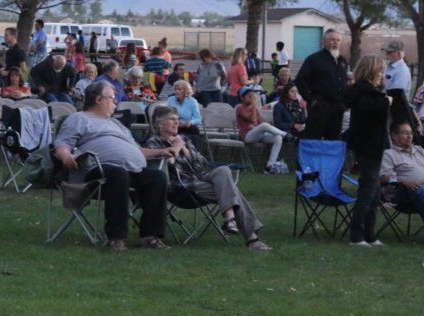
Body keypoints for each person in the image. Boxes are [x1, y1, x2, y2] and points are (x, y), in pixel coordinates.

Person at [54, 81, 172, 251]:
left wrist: (160, 152)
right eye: (112, 97)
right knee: (118, 174)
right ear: (99, 100)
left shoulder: (117, 124)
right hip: (97, 171)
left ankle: (151, 236)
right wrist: (66, 156)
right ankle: (116, 237)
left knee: (157, 177)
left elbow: (136, 150)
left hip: (131, 170)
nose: (115, 101)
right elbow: (62, 143)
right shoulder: (78, 118)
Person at [146, 106, 271, 250]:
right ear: (160, 124)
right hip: (182, 187)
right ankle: (251, 238)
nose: (176, 123)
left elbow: (201, 164)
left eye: (178, 119)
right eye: (172, 119)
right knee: (232, 191)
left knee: (223, 170)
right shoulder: (153, 142)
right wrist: (177, 148)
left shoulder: (184, 139)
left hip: (199, 178)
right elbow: (167, 166)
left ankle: (231, 219)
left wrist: (185, 149)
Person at [343, 55, 390, 247]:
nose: (381, 75)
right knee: (367, 190)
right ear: (371, 72)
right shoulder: (363, 92)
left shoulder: (368, 91)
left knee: (375, 191)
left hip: (372, 145)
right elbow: (368, 111)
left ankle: (370, 233)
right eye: (379, 71)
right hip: (368, 145)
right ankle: (357, 235)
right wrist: (387, 102)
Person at [294, 29, 349, 140]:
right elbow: (300, 80)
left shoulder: (342, 61)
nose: (335, 42)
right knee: (313, 138)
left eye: (338, 40)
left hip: (337, 108)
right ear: (324, 42)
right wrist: (311, 99)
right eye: (332, 39)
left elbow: (343, 82)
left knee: (333, 140)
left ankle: (330, 158)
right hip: (319, 107)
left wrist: (344, 103)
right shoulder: (314, 59)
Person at [235, 88, 287, 173]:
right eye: (249, 96)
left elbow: (260, 122)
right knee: (264, 126)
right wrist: (254, 106)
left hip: (257, 134)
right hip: (247, 136)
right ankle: (286, 134)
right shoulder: (240, 108)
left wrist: (259, 126)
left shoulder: (254, 109)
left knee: (278, 137)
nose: (251, 97)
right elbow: (252, 119)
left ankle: (270, 166)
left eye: (252, 95)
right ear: (242, 98)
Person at [383, 39, 415, 129]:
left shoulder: (402, 71)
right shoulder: (389, 67)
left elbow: (396, 94)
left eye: (390, 52)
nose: (387, 54)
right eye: (386, 52)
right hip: (389, 108)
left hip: (395, 111)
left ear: (399, 54)